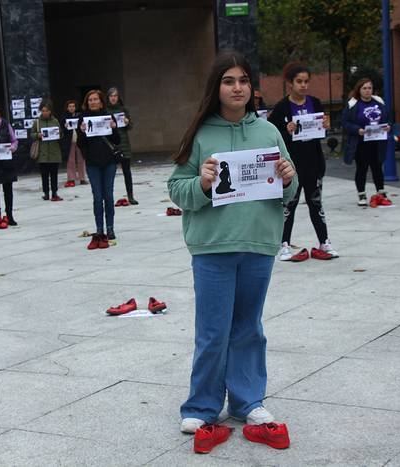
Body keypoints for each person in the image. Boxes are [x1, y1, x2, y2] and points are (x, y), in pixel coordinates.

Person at [167, 51, 297, 450]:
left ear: (252, 87)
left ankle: (247, 401)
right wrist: (203, 184)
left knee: (249, 328)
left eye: (243, 80)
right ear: (216, 88)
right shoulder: (200, 133)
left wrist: (290, 178)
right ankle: (202, 406)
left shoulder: (269, 133)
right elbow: (177, 189)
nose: (237, 87)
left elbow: (288, 192)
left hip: (258, 244)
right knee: (212, 331)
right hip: (212, 247)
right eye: (228, 80)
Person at [268, 62, 338, 262]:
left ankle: (324, 241)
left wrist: (326, 125)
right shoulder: (282, 107)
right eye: (299, 81)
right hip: (292, 165)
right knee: (290, 204)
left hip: (313, 162)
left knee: (316, 202)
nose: (304, 85)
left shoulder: (315, 103)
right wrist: (286, 130)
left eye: (306, 81)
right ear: (290, 83)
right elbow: (271, 134)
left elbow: (321, 130)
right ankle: (283, 244)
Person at [77, 90, 120, 248]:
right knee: (97, 197)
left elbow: (117, 140)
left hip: (109, 162)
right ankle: (99, 229)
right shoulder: (83, 118)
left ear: (101, 102)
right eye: (90, 100)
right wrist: (81, 131)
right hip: (93, 164)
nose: (93, 102)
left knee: (108, 196)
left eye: (95, 99)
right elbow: (81, 144)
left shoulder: (108, 116)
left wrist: (114, 127)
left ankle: (110, 228)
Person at [341, 78, 392, 207]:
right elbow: (345, 122)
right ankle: (361, 194)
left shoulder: (379, 102)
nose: (367, 90)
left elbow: (388, 118)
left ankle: (381, 192)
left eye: (369, 88)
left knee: (377, 168)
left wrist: (388, 126)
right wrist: (357, 130)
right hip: (360, 143)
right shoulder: (353, 104)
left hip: (377, 141)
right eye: (364, 88)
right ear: (359, 90)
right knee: (362, 169)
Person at [107, 87, 138, 205]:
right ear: (108, 98)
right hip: (111, 144)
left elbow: (130, 126)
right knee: (110, 172)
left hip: (124, 143)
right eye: (111, 96)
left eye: (115, 96)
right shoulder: (105, 111)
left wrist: (127, 122)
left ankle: (130, 196)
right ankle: (109, 197)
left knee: (127, 171)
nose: (113, 98)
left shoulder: (123, 109)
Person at [31, 100, 63, 201]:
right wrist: (37, 135)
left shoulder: (55, 121)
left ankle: (54, 192)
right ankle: (46, 193)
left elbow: (61, 134)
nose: (45, 113)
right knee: (44, 175)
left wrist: (58, 134)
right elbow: (32, 134)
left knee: (54, 175)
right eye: (43, 110)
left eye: (46, 110)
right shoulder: (37, 122)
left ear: (50, 111)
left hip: (54, 152)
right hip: (42, 153)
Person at [62, 100, 88, 187]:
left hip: (79, 140)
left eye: (73, 106)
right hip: (70, 141)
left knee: (81, 159)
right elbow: (61, 131)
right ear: (67, 107)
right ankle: (71, 179)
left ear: (75, 107)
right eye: (70, 106)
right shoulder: (64, 117)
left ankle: (82, 178)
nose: (71, 108)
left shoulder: (80, 116)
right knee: (71, 160)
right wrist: (65, 127)